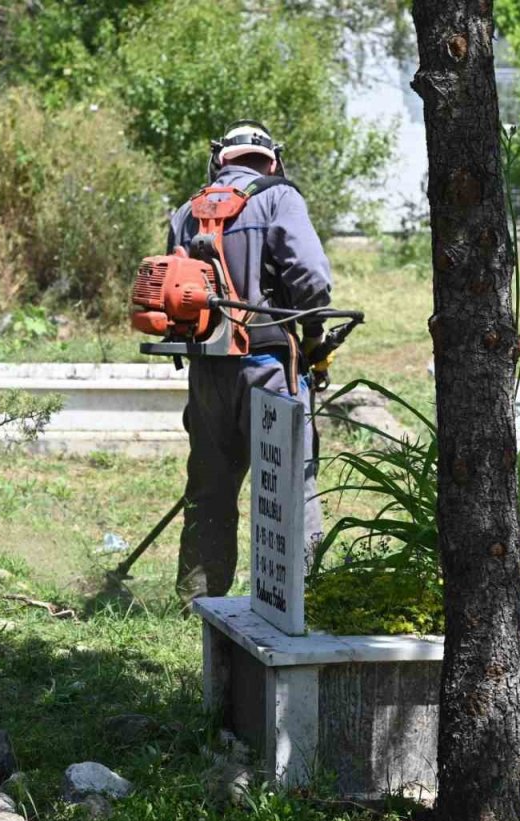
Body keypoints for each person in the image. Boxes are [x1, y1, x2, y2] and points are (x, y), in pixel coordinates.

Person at [168, 120, 336, 603]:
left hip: (207, 372)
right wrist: (313, 336)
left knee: (209, 490)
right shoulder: (279, 197)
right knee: (290, 485)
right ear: (272, 160)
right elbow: (312, 281)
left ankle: (199, 600)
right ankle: (302, 598)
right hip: (268, 367)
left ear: (219, 159)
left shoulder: (187, 211)